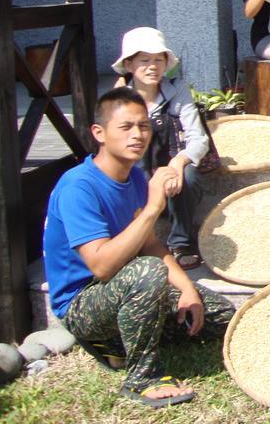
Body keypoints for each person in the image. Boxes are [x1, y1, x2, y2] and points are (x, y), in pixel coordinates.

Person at [43, 88, 235, 408]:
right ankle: (142, 377)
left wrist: (187, 289)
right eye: (126, 127)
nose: (138, 135)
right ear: (99, 133)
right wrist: (152, 208)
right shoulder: (79, 187)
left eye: (144, 126)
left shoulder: (132, 176)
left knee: (219, 315)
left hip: (124, 287)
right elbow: (102, 267)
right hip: (83, 302)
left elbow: (150, 243)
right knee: (148, 271)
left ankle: (120, 342)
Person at [113, 27, 210, 270]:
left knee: (187, 174)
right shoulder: (118, 98)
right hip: (137, 175)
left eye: (159, 60)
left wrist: (177, 163)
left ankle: (181, 241)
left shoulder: (177, 90)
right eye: (144, 60)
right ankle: (130, 241)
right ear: (129, 64)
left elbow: (198, 139)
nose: (152, 66)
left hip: (173, 180)